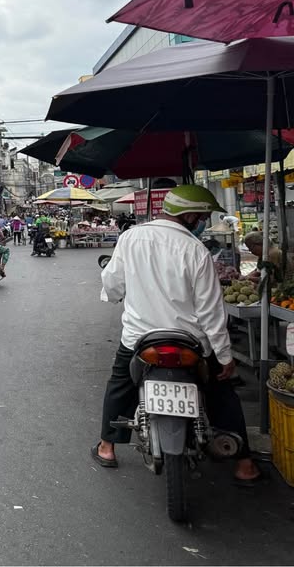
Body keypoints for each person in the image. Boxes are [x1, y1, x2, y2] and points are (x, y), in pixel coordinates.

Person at [93, 185, 261, 484]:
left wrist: (116, 295)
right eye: (203, 216)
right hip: (191, 342)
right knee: (221, 392)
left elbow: (112, 284)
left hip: (140, 339)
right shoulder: (196, 250)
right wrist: (225, 358)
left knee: (120, 384)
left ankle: (107, 447)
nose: (203, 222)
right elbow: (211, 312)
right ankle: (244, 464)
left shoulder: (131, 238)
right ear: (192, 215)